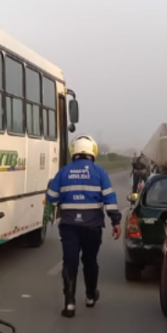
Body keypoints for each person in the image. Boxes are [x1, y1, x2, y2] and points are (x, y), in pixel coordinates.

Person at [46, 135, 122, 318]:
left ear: (74, 152)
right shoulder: (100, 172)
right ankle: (90, 296)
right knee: (90, 261)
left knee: (70, 262)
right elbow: (110, 200)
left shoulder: (63, 172)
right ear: (92, 152)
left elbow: (51, 197)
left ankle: (69, 303)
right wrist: (116, 221)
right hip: (92, 226)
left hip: (69, 226)